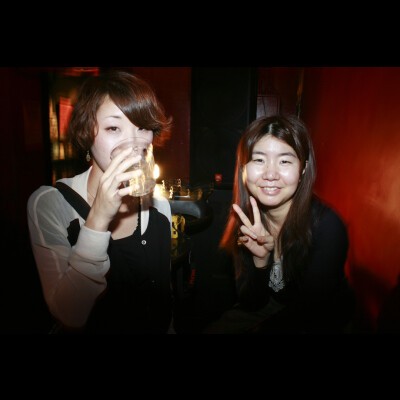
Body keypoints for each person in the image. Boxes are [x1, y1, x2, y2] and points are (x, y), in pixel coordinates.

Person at [27, 70, 174, 333]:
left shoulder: (158, 207)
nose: (133, 143)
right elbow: (70, 315)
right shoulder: (49, 204)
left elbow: (163, 302)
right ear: (87, 132)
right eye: (113, 128)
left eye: (142, 127)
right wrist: (98, 219)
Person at [204, 114, 354, 334]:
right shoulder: (247, 221)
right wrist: (260, 260)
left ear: (303, 169)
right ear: (243, 169)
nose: (270, 174)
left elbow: (309, 312)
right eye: (259, 160)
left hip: (323, 319)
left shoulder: (327, 227)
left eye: (284, 161)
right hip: (273, 305)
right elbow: (252, 302)